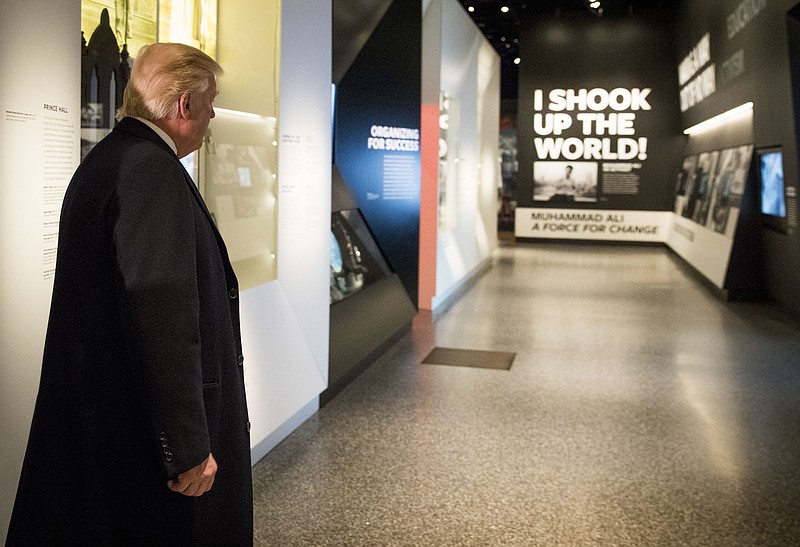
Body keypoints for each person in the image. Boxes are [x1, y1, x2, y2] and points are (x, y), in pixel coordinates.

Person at [7, 43, 253, 545]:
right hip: (140, 446)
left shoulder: (112, 159)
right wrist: (187, 445)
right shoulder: (151, 170)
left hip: (111, 426)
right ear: (185, 106)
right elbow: (161, 316)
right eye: (210, 102)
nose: (212, 115)